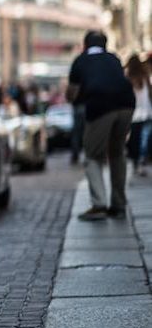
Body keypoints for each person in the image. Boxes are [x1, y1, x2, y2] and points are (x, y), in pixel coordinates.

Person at [67, 30, 135, 220]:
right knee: (117, 152)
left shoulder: (80, 60)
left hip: (100, 105)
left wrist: (76, 99)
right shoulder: (113, 58)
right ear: (105, 44)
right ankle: (119, 204)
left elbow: (72, 92)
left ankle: (99, 204)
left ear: (85, 44)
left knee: (92, 155)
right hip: (127, 104)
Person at [125, 54, 152, 176]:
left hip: (134, 113)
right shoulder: (145, 76)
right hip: (147, 112)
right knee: (145, 138)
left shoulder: (128, 78)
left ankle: (136, 162)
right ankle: (142, 160)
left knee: (135, 139)